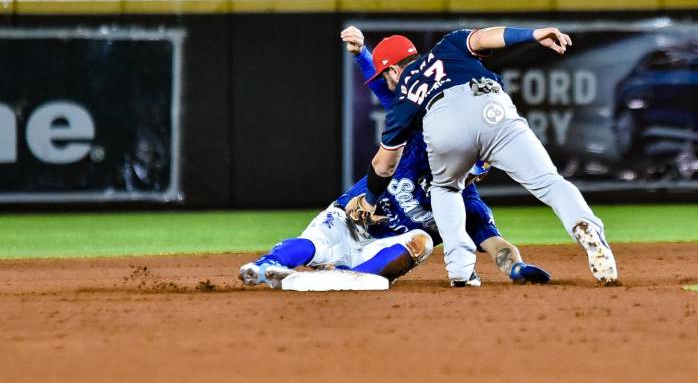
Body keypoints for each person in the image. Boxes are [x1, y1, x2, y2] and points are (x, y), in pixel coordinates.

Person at [238, 29, 551, 289]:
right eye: (476, 163)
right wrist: (362, 55)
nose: (475, 172)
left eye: (481, 167)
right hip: (353, 216)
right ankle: (266, 266)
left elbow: (497, 245)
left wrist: (517, 269)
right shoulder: (421, 136)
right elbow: (389, 90)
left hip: (381, 250)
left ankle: (350, 275)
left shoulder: (465, 205)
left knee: (422, 242)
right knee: (315, 242)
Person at [345, 25, 619, 286]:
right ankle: (584, 225)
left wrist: (369, 200)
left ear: (392, 71)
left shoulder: (404, 95)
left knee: (445, 189)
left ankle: (461, 270)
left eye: (384, 77)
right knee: (550, 181)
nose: (386, 84)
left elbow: (384, 164)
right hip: (492, 106)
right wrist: (533, 34)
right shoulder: (447, 46)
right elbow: (486, 37)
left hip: (442, 122)